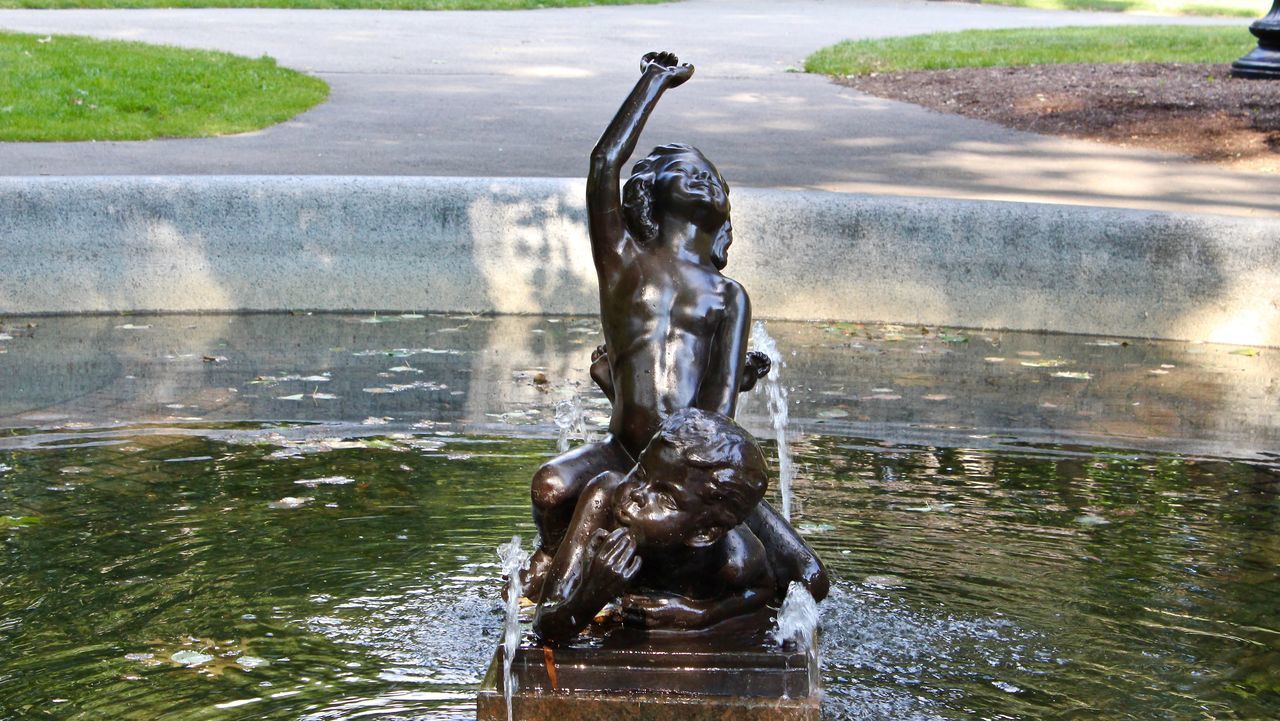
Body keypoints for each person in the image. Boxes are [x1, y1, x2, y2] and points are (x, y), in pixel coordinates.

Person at [525, 51, 827, 606]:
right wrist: (653, 83)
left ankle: (699, 602)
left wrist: (706, 474)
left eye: (712, 178)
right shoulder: (622, 261)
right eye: (689, 175)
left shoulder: (730, 296)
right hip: (623, 451)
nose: (706, 182)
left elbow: (717, 415)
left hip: (689, 467)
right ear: (653, 193)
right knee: (549, 488)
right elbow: (603, 164)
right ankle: (551, 569)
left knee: (807, 576)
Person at [533, 409, 775, 642]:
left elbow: (764, 589)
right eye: (640, 472)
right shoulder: (604, 499)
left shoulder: (735, 558)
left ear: (704, 532)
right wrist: (590, 593)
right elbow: (545, 622)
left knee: (811, 579)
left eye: (664, 497)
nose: (636, 494)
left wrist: (701, 614)